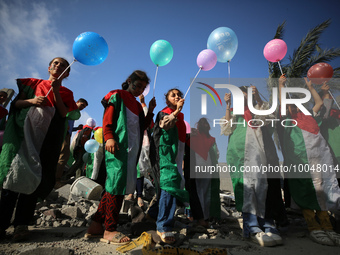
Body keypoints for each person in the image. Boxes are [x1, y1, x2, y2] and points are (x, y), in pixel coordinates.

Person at [0, 57, 77, 241]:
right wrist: (32, 102)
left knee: (32, 181)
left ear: (67, 73)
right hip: (23, 140)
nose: (58, 66)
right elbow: (16, 105)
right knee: (12, 179)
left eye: (63, 65)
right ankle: (1, 224)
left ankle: (21, 225)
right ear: (49, 67)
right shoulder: (32, 85)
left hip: (43, 143)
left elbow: (63, 113)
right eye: (56, 63)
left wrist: (56, 91)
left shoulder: (66, 92)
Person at [86, 70, 156, 245]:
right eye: (137, 85)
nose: (139, 89)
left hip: (131, 151)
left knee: (115, 186)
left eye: (142, 87)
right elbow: (108, 117)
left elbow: (141, 126)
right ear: (129, 81)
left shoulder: (137, 105)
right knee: (116, 186)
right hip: (118, 146)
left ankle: (95, 225)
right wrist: (109, 136)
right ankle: (109, 229)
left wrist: (151, 111)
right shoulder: (118, 95)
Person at [279, 75, 340, 246]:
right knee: (305, 191)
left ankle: (328, 227)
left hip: (319, 159)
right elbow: (283, 103)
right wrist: (281, 85)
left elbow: (319, 104)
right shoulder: (287, 120)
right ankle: (314, 227)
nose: (293, 107)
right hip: (300, 161)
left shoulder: (310, 116)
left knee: (322, 191)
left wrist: (311, 87)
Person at [221, 85, 283, 247]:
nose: (243, 98)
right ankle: (252, 226)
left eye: (246, 95)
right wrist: (227, 106)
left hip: (259, 154)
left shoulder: (258, 109)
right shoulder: (235, 112)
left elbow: (270, 118)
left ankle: (268, 225)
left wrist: (257, 99)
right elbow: (226, 129)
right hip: (239, 155)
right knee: (246, 189)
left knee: (263, 187)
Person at [150, 88, 189, 244]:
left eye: (179, 95)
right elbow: (165, 125)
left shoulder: (180, 118)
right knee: (168, 184)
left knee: (172, 184)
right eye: (173, 95)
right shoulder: (164, 113)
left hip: (175, 157)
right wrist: (177, 111)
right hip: (163, 155)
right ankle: (164, 226)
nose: (177, 97)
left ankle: (152, 214)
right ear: (166, 101)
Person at [184, 118, 220, 228]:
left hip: (197, 167)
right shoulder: (211, 139)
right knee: (205, 193)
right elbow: (217, 155)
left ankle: (197, 217)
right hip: (207, 166)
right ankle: (204, 217)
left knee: (197, 193)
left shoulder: (194, 136)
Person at [125, 94, 153, 208]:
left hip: (142, 143)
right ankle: (131, 192)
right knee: (132, 166)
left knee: (139, 168)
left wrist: (143, 103)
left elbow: (147, 119)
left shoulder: (141, 111)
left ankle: (139, 195)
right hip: (131, 141)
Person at [55, 98, 88, 188]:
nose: (82, 108)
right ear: (77, 102)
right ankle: (56, 180)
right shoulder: (70, 109)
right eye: (82, 105)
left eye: (84, 107)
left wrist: (76, 128)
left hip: (67, 134)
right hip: (64, 133)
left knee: (63, 156)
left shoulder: (74, 113)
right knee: (63, 156)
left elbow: (69, 126)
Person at [62, 118, 96, 182]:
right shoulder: (88, 130)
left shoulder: (82, 129)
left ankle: (77, 178)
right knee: (78, 163)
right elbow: (84, 140)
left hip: (77, 148)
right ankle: (66, 176)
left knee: (79, 164)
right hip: (80, 149)